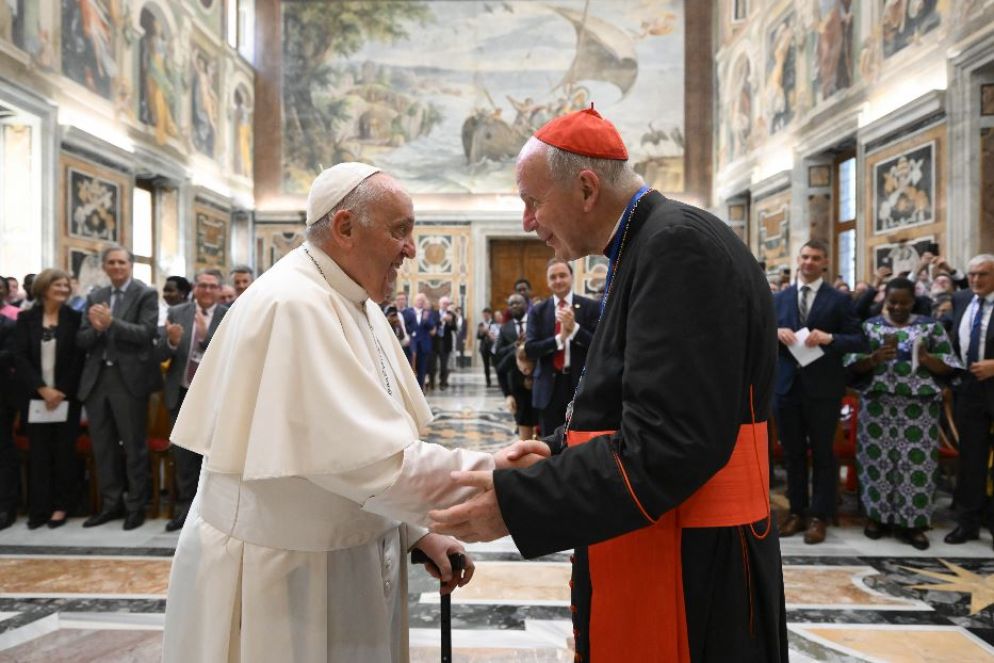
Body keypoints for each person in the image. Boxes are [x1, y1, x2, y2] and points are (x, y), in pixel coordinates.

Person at [430, 107, 788, 662]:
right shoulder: (649, 242)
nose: (528, 221)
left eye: (532, 200)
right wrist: (553, 451)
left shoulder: (676, 248)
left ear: (587, 188)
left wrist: (519, 505)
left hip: (694, 561)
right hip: (665, 534)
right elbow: (637, 399)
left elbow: (671, 444)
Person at [162, 162, 545, 662]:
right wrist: (496, 475)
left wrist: (418, 531)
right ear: (344, 227)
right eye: (400, 231)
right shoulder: (294, 304)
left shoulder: (350, 298)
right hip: (285, 573)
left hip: (345, 555)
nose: (411, 249)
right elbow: (367, 463)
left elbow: (366, 441)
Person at [845, 277, 960, 550]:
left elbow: (949, 366)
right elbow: (850, 364)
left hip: (917, 410)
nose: (897, 307)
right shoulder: (870, 327)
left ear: (913, 301)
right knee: (876, 465)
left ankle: (914, 524)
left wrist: (928, 358)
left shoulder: (930, 327)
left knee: (917, 466)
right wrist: (874, 359)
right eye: (892, 302)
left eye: (903, 302)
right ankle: (877, 518)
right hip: (878, 407)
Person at [774, 240, 866, 544]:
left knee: (824, 454)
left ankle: (819, 516)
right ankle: (797, 512)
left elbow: (857, 339)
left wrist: (830, 338)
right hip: (787, 386)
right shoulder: (781, 298)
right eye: (804, 257)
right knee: (793, 453)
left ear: (825, 262)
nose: (808, 262)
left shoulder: (838, 299)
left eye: (815, 258)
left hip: (823, 387)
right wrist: (775, 333)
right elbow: (759, 332)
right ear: (797, 259)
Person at [77, 245, 159, 530]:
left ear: (130, 265)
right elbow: (81, 340)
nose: (116, 267)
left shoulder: (145, 293)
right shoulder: (95, 296)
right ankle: (111, 504)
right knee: (103, 448)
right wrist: (96, 329)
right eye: (111, 262)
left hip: (128, 381)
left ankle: (136, 505)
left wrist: (111, 323)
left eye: (121, 262)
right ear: (104, 266)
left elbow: (146, 333)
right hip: (97, 381)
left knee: (134, 447)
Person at [156, 269, 228, 532]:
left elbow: (230, 353)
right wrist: (172, 343)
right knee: (183, 456)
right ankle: (185, 512)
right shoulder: (177, 312)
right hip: (182, 392)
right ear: (195, 288)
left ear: (220, 290)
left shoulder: (230, 314)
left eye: (213, 286)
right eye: (203, 285)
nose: (207, 290)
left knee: (211, 458)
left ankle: (212, 514)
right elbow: (160, 351)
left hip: (215, 397)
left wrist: (204, 336)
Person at [14, 269, 85, 529]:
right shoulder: (26, 318)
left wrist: (60, 391)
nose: (64, 289)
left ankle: (61, 506)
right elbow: (19, 356)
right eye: (58, 285)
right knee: (39, 454)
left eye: (66, 285)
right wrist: (42, 389)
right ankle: (39, 508)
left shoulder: (75, 318)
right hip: (36, 398)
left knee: (64, 453)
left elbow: (78, 359)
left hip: (66, 397)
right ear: (44, 288)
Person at [943, 254, 994, 546]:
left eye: (983, 274)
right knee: (971, 459)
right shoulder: (962, 299)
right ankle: (968, 522)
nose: (975, 279)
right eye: (972, 274)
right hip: (969, 390)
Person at [525, 258, 598, 435]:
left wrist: (575, 330)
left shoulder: (590, 307)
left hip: (579, 386)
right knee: (549, 444)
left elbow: (599, 346)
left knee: (577, 442)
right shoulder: (538, 311)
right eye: (553, 277)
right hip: (548, 388)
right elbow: (531, 348)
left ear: (571, 277)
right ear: (548, 281)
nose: (558, 280)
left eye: (562, 275)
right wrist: (560, 339)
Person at [0, 313, 17, 530]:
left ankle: (6, 507)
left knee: (3, 454)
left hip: (2, 398)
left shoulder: (8, 325)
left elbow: (11, 355)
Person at [409, 292, 437, 390]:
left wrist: (425, 319)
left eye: (422, 300)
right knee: (410, 369)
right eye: (418, 300)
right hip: (411, 345)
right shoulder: (409, 311)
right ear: (414, 301)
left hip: (424, 345)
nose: (420, 302)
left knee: (422, 369)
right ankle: (412, 389)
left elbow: (432, 326)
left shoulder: (428, 313)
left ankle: (420, 389)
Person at [476, 307, 499, 387]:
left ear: (490, 315)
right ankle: (488, 381)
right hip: (484, 347)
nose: (485, 317)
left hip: (493, 346)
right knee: (486, 365)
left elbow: (496, 335)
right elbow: (478, 336)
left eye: (486, 315)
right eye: (484, 315)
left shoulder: (494, 323)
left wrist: (488, 332)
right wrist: (482, 332)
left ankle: (499, 380)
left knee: (496, 364)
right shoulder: (481, 324)